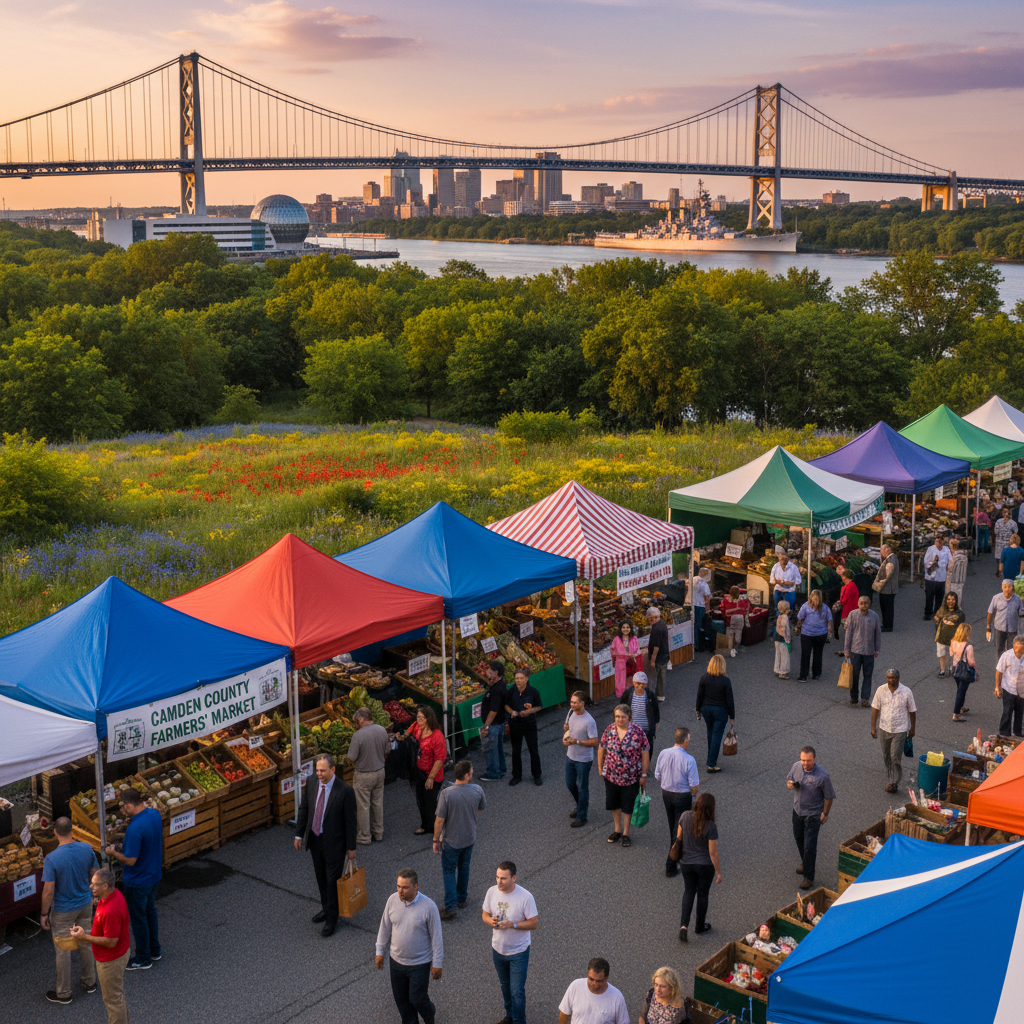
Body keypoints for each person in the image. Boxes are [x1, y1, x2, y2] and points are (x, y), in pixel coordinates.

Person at [293, 753, 357, 937]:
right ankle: (326, 908)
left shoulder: (345, 791)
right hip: (315, 840)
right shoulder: (312, 782)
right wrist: (299, 834)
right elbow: (304, 808)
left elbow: (351, 821)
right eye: (317, 770)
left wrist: (351, 848)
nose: (319, 774)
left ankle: (332, 919)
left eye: (322, 771)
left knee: (332, 882)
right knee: (321, 879)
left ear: (333, 770)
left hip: (335, 844)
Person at [40, 816, 98, 1005]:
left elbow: (48, 891)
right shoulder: (87, 848)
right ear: (72, 830)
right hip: (85, 904)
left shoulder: (52, 858)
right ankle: (90, 982)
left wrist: (43, 914)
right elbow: (95, 874)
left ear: (55, 832)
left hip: (63, 910)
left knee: (64, 950)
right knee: (85, 942)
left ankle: (64, 993)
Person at [104, 788, 162, 970]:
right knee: (150, 911)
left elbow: (130, 860)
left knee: (139, 918)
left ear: (130, 804)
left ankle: (143, 958)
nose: (123, 810)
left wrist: (114, 853)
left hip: (138, 880)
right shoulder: (154, 814)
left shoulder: (135, 828)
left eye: (124, 806)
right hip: (154, 874)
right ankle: (155, 949)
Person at [375, 869, 443, 1024]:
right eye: (398, 886)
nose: (400, 891)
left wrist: (437, 963)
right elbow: (384, 927)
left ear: (415, 886)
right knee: (402, 1001)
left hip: (419, 964)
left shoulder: (429, 906)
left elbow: (436, 938)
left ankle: (429, 1013)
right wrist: (380, 952)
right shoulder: (392, 900)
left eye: (405, 887)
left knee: (417, 998)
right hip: (396, 962)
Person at [70, 867, 130, 1024]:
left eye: (95, 884)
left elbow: (111, 941)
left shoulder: (110, 910)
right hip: (119, 953)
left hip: (111, 959)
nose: (91, 887)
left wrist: (85, 937)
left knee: (113, 1000)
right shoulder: (113, 896)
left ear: (106, 886)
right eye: (91, 883)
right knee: (117, 995)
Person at [482, 861, 538, 1024]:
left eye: (504, 878)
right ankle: (510, 1015)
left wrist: (513, 924)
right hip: (498, 949)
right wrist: (490, 921)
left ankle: (519, 1021)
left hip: (518, 952)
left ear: (513, 878)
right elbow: (485, 914)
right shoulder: (491, 892)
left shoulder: (525, 897)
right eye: (497, 877)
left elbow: (533, 923)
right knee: (505, 986)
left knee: (517, 991)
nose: (499, 881)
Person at [432, 760, 486, 920]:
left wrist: (436, 839)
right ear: (467, 775)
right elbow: (481, 809)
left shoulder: (446, 794)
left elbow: (439, 820)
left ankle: (450, 906)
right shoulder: (477, 789)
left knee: (449, 870)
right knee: (464, 866)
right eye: (471, 771)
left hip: (451, 840)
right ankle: (461, 898)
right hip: (469, 837)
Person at [598, 703, 650, 848]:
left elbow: (645, 754)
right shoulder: (609, 730)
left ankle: (626, 833)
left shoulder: (638, 733)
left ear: (629, 717)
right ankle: (617, 830)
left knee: (628, 805)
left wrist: (644, 774)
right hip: (611, 776)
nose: (620, 719)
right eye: (617, 717)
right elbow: (601, 749)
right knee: (613, 803)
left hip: (631, 777)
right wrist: (600, 768)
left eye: (623, 717)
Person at [786, 746, 835, 890]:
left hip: (813, 815)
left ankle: (808, 876)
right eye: (803, 760)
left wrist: (825, 813)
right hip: (798, 811)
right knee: (798, 838)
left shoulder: (823, 776)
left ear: (815, 759)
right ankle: (805, 862)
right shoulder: (796, 766)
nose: (805, 763)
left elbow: (829, 796)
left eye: (808, 760)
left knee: (809, 847)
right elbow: (789, 781)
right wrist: (790, 785)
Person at [655, 727, 700, 878]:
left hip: (666, 794)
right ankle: (671, 864)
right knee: (679, 830)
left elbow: (657, 775)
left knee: (672, 825)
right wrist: (694, 797)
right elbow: (694, 785)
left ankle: (676, 855)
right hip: (682, 796)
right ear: (686, 740)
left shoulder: (663, 753)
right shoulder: (689, 760)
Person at [676, 793, 721, 942]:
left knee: (689, 891)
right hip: (705, 866)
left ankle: (683, 926)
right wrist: (719, 873)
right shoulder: (710, 825)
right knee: (702, 894)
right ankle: (700, 926)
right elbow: (712, 852)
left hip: (686, 863)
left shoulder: (685, 816)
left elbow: (679, 838)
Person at [870, 669, 917, 793]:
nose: (891, 680)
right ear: (886, 678)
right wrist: (873, 727)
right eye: (889, 678)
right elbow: (875, 708)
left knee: (895, 756)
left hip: (900, 730)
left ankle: (894, 782)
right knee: (886, 755)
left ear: (898, 678)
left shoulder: (906, 692)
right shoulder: (881, 690)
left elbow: (912, 711)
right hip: (884, 728)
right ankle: (890, 776)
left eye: (894, 678)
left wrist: (912, 728)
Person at [348, 706, 390, 845]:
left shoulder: (358, 735)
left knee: (363, 806)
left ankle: (364, 837)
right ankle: (378, 833)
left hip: (364, 775)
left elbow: (352, 756)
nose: (356, 725)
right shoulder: (382, 730)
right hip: (380, 771)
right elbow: (387, 750)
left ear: (361, 719)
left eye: (356, 721)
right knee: (377, 803)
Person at [407, 705, 447, 830]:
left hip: (432, 774)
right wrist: (400, 736)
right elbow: (407, 733)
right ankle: (426, 825)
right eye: (418, 717)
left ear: (429, 718)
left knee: (430, 801)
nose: (419, 720)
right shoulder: (417, 727)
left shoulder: (437, 736)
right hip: (419, 772)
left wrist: (431, 778)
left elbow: (439, 760)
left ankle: (437, 827)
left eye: (422, 718)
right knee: (421, 799)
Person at [563, 690, 599, 828]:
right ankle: (580, 806)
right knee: (570, 784)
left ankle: (582, 816)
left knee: (582, 788)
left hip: (584, 760)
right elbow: (570, 731)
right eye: (571, 702)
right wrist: (566, 730)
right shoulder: (571, 714)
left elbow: (595, 742)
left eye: (575, 702)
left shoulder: (589, 721)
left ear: (582, 703)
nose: (572, 704)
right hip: (570, 756)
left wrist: (577, 742)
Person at [557, 957, 630, 1024]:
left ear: (606, 978)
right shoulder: (575, 987)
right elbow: (564, 1015)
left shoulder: (617, 997)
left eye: (599, 981)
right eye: (591, 979)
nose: (594, 984)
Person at [695, 654, 735, 773]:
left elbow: (699, 695)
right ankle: (711, 764)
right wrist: (732, 717)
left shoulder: (704, 677)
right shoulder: (725, 681)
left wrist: (698, 708)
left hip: (706, 709)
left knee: (710, 733)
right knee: (717, 735)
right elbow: (730, 700)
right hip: (720, 711)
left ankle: (711, 757)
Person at [505, 669, 543, 786]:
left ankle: (537, 775)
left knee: (533, 750)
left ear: (527, 679)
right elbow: (506, 705)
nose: (519, 681)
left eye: (521, 678)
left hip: (529, 724)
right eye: (517, 678)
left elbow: (539, 706)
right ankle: (517, 776)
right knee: (516, 751)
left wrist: (529, 712)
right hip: (515, 724)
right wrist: (512, 712)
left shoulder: (533, 692)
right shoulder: (511, 691)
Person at [844, 595, 882, 707]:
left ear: (869, 603)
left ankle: (865, 698)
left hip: (869, 651)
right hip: (855, 651)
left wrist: (877, 649)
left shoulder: (874, 616)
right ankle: (854, 697)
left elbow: (878, 634)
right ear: (858, 603)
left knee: (868, 675)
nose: (863, 605)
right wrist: (846, 650)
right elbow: (848, 633)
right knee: (854, 675)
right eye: (861, 603)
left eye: (865, 603)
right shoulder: (853, 615)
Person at [796, 590, 833, 683]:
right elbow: (829, 621)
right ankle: (816, 674)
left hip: (807, 633)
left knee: (805, 654)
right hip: (821, 634)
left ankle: (803, 675)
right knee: (818, 654)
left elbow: (800, 619)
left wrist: (797, 628)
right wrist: (830, 633)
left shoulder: (805, 606)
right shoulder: (825, 608)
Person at [479, 666, 508, 781]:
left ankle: (493, 772)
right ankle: (501, 768)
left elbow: (494, 710)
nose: (487, 672)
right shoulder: (500, 685)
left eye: (490, 670)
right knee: (498, 747)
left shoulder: (496, 690)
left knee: (490, 749)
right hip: (499, 723)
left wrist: (486, 726)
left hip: (493, 725)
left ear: (496, 672)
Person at [994, 636, 1024, 738]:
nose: (1016, 649)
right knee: (1007, 711)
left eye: (1019, 647)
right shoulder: (1006, 655)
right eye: (1015, 646)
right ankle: (1004, 733)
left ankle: (1017, 732)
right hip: (1008, 688)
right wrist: (997, 687)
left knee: (1020, 711)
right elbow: (999, 671)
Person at [627, 670, 660, 760]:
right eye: (638, 683)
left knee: (647, 749)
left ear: (646, 684)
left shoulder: (650, 695)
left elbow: (656, 710)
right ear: (633, 683)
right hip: (632, 729)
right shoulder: (628, 694)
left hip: (647, 729)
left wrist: (656, 722)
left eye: (643, 684)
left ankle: (645, 768)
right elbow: (621, 708)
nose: (640, 686)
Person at [986, 580, 1024, 656]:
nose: (1007, 589)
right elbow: (990, 612)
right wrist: (988, 626)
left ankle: (1010, 665)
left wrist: (1021, 631)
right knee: (999, 649)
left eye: (1009, 587)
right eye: (1005, 587)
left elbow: (1022, 614)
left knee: (1012, 649)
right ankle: (1001, 665)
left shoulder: (1018, 599)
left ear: (1013, 588)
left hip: (1012, 629)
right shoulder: (996, 598)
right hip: (999, 628)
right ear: (1002, 587)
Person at [933, 591, 965, 678]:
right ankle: (942, 670)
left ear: (956, 600)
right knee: (942, 654)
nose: (950, 601)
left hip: (954, 638)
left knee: (953, 654)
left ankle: (952, 669)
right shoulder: (942, 610)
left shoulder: (960, 613)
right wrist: (937, 618)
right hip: (941, 637)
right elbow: (936, 617)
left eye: (953, 599)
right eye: (948, 599)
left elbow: (962, 625)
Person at [950, 623, 977, 722]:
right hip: (964, 671)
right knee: (961, 691)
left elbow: (951, 653)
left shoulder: (953, 641)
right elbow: (971, 661)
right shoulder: (968, 646)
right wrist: (976, 671)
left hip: (955, 669)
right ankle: (956, 713)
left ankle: (961, 706)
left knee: (959, 689)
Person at [923, 532, 952, 619]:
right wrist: (933, 564)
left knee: (939, 597)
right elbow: (925, 561)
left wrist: (950, 569)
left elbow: (950, 561)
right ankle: (928, 613)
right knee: (929, 596)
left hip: (941, 577)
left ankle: (937, 613)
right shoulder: (930, 549)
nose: (938, 542)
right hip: (930, 578)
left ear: (943, 542)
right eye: (937, 541)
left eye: (940, 541)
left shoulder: (946, 549)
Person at [646, 605, 671, 700]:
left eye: (649, 617)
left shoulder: (656, 629)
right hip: (664, 656)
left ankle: (651, 696)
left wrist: (652, 660)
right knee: (662, 677)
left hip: (658, 657)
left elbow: (656, 647)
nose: (648, 619)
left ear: (652, 617)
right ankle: (660, 695)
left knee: (653, 677)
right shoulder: (662, 624)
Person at [610, 619, 640, 700]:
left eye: (627, 627)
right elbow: (612, 650)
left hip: (630, 662)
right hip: (620, 663)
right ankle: (624, 696)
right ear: (620, 628)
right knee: (621, 680)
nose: (625, 629)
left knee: (630, 679)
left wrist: (631, 655)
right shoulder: (616, 639)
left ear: (630, 628)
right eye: (623, 627)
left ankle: (630, 696)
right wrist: (614, 661)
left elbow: (637, 650)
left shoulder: (634, 638)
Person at [719, 585, 750, 659]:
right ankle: (735, 648)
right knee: (738, 635)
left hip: (730, 620)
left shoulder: (725, 600)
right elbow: (747, 610)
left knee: (729, 634)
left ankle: (730, 650)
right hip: (740, 619)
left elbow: (722, 609)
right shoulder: (742, 601)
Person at [875, 543, 900, 633]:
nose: (881, 553)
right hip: (887, 588)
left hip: (888, 588)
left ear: (886, 550)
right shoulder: (890, 558)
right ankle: (885, 624)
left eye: (881, 551)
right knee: (885, 607)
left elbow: (887, 574)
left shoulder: (891, 559)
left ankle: (888, 626)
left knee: (887, 608)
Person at [835, 568, 860, 654]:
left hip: (847, 612)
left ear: (845, 577)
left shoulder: (847, 587)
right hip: (855, 611)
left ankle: (846, 650)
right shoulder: (854, 586)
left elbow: (843, 600)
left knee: (844, 631)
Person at [770, 552, 801, 617]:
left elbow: (798, 581)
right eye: (781, 557)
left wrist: (785, 583)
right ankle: (779, 622)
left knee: (789, 610)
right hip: (778, 590)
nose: (782, 559)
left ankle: (788, 623)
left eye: (784, 557)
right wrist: (780, 582)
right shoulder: (775, 566)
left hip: (790, 591)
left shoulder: (794, 567)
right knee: (778, 609)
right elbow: (772, 580)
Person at [691, 569, 712, 651]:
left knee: (694, 625)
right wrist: (708, 610)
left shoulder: (693, 579)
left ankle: (694, 642)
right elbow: (707, 599)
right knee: (698, 626)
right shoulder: (704, 584)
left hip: (692, 604)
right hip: (700, 606)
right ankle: (697, 645)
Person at [994, 507, 1018, 576]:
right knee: (1003, 557)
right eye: (1004, 512)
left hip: (1004, 542)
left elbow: (996, 531)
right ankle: (1002, 570)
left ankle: (1002, 570)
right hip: (1004, 542)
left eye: (1006, 512)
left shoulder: (1010, 523)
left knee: (1003, 557)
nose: (1005, 514)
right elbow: (996, 531)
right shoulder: (1001, 522)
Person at [945, 538, 968, 605]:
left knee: (951, 597)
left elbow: (949, 568)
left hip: (953, 579)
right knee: (958, 594)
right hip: (961, 579)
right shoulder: (964, 557)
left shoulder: (954, 558)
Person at [774, 600, 792, 679]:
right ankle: (783, 672)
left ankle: (777, 669)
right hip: (783, 639)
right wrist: (788, 639)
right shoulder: (785, 617)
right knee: (785, 655)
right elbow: (785, 629)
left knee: (778, 654)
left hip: (777, 638)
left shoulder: (779, 616)